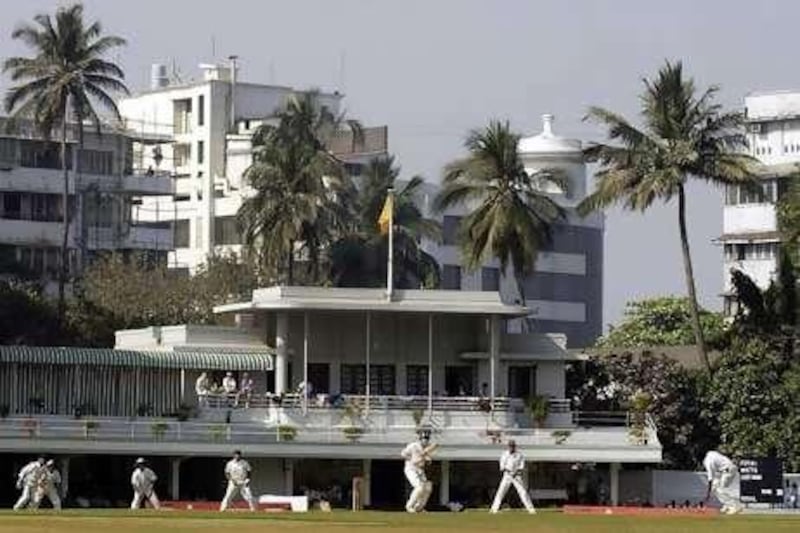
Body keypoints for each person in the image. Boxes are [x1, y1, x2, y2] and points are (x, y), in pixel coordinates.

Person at [489, 439, 536, 514]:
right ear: (508, 446)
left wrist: (515, 472)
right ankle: (494, 509)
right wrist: (509, 472)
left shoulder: (519, 455)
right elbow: (502, 466)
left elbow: (521, 466)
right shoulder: (504, 454)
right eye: (510, 446)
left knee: (523, 492)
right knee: (501, 492)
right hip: (507, 476)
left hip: (517, 476)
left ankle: (531, 509)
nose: (511, 447)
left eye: (513, 446)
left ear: (515, 446)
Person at [401, 429, 435, 513]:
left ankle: (419, 507)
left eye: (427, 438)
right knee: (419, 487)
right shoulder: (413, 446)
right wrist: (412, 460)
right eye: (423, 438)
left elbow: (428, 460)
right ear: (420, 438)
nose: (425, 440)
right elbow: (403, 454)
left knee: (428, 488)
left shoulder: (428, 448)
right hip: (411, 469)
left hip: (420, 469)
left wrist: (426, 459)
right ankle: (409, 506)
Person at [703, 450, 742, 514]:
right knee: (721, 488)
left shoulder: (708, 462)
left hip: (728, 470)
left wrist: (708, 493)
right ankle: (727, 505)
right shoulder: (711, 453)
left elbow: (710, 479)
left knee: (718, 490)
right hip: (731, 468)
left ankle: (734, 506)